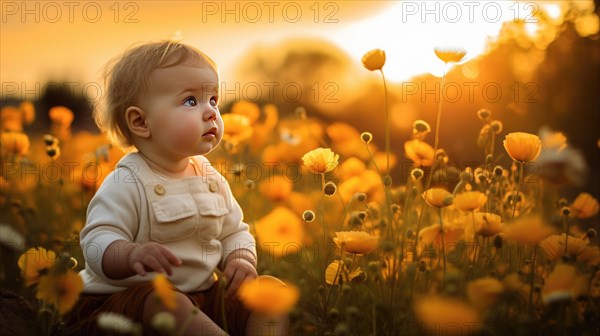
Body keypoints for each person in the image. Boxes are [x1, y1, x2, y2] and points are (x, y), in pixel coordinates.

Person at [66, 41, 284, 335]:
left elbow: (235, 231)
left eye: (214, 100)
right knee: (164, 302)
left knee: (271, 291)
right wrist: (130, 255)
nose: (211, 113)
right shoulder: (126, 181)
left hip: (203, 300)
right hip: (128, 305)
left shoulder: (210, 178)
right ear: (141, 121)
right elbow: (97, 242)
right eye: (191, 101)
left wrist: (240, 258)